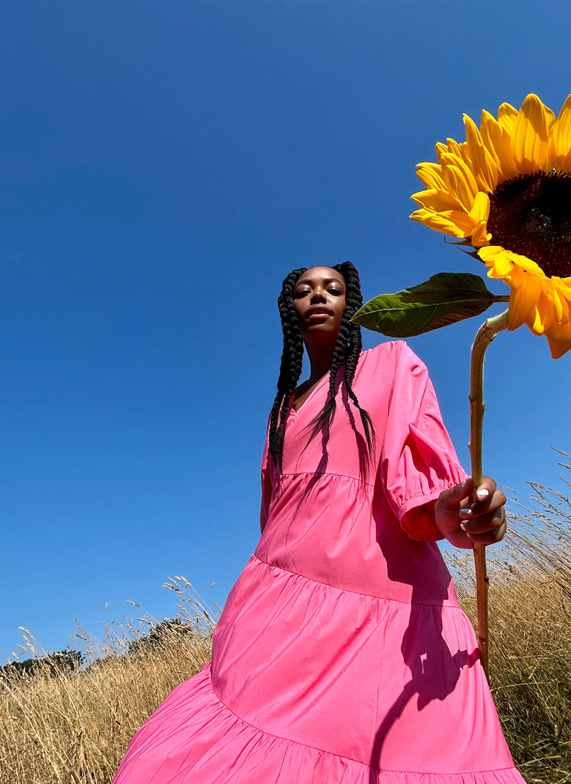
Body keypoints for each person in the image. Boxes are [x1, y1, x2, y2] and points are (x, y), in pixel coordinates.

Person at [114, 263, 525, 783]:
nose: (318, 297)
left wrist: (455, 513)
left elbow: (421, 488)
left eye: (333, 289)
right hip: (277, 609)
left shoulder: (392, 365)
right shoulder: (282, 410)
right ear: (289, 312)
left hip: (385, 604)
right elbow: (276, 517)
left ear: (351, 305)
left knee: (405, 754)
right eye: (304, 291)